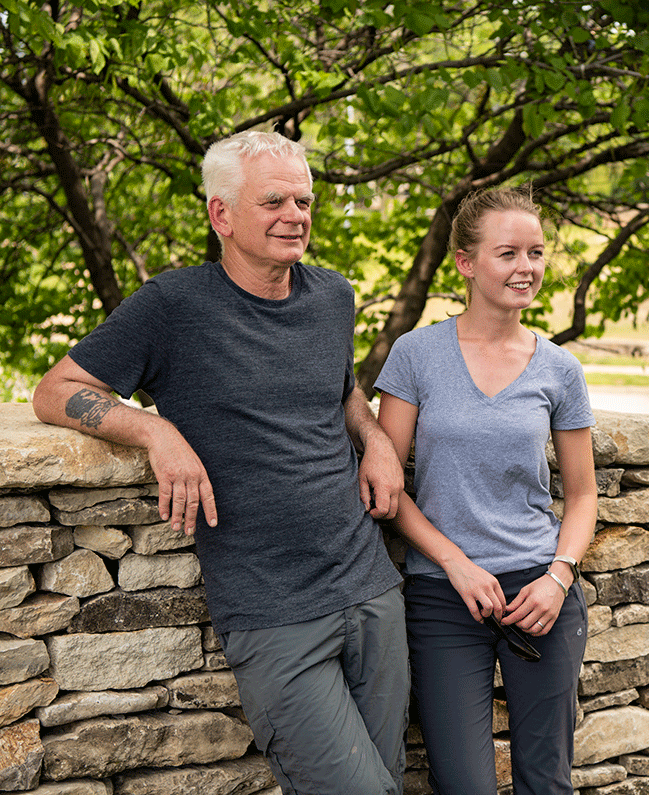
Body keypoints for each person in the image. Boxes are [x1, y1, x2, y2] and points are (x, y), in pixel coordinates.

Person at [32, 130, 410, 795]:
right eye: (274, 201)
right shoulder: (173, 307)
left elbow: (341, 387)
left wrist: (375, 437)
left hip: (372, 591)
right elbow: (54, 390)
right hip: (273, 613)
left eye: (304, 199)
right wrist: (155, 431)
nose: (296, 214)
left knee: (389, 780)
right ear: (222, 214)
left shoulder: (333, 297)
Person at [374, 186, 598, 795]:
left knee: (545, 780)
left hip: (540, 596)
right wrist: (456, 565)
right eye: (507, 253)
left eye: (536, 252)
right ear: (466, 263)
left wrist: (558, 577)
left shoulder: (559, 369)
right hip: (444, 596)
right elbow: (388, 488)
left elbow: (581, 496)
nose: (526, 267)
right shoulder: (415, 355)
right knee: (461, 783)